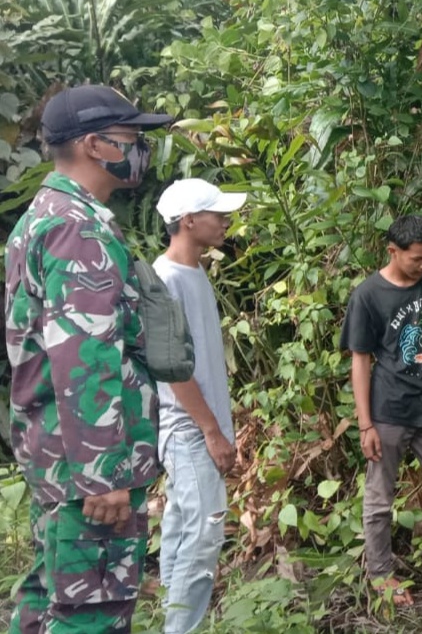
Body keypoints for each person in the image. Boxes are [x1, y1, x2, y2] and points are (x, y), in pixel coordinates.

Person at [4, 84, 172, 633]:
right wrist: (103, 474)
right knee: (91, 612)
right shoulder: (77, 229)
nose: (140, 150)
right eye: (131, 139)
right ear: (97, 146)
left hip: (58, 453)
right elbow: (85, 354)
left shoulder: (48, 215)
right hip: (88, 467)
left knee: (49, 599)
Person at [340, 214, 422, 606]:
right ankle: (382, 576)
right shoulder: (368, 295)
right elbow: (360, 361)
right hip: (389, 412)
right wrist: (366, 424)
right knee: (380, 499)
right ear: (393, 251)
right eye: (416, 258)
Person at [152, 178, 247, 634]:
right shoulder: (167, 278)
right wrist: (211, 430)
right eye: (217, 214)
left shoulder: (193, 272)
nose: (226, 221)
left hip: (199, 425)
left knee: (183, 526)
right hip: (188, 427)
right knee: (204, 530)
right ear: (188, 221)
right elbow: (172, 368)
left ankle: (173, 622)